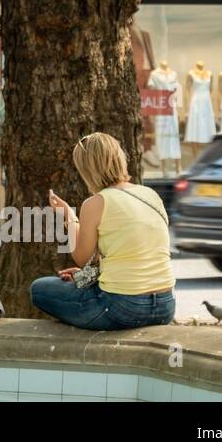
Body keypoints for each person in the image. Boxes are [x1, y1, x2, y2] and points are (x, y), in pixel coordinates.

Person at [30, 132, 175, 330]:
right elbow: (130, 251)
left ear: (88, 170)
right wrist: (87, 276)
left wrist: (69, 217)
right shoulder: (150, 195)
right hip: (165, 305)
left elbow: (82, 257)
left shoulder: (96, 202)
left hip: (123, 308)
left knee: (39, 289)